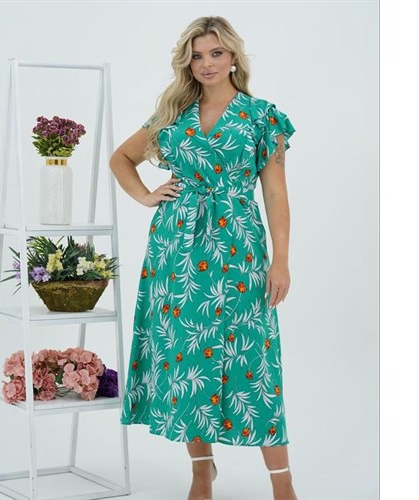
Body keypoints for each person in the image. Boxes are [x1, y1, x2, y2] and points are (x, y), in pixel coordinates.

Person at [110, 15, 298, 500]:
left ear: (233, 56)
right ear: (187, 63)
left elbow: (275, 193)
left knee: (254, 361)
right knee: (187, 355)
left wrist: (280, 260)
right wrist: (146, 196)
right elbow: (121, 158)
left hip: (238, 247)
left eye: (216, 53)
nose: (206, 63)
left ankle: (283, 484)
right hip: (176, 250)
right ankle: (200, 472)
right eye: (197, 56)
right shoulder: (173, 113)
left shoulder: (262, 117)